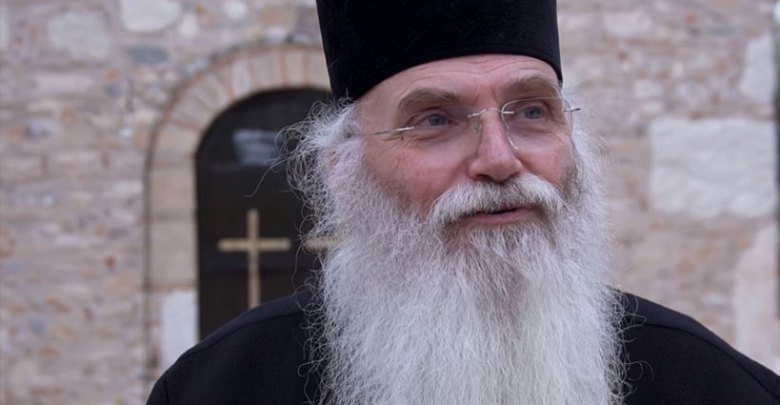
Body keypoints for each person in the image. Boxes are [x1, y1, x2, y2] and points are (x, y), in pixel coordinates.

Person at [147, 1, 780, 404]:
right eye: (434, 120)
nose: (500, 159)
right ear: (342, 173)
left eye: (531, 111)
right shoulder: (219, 389)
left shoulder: (715, 386)